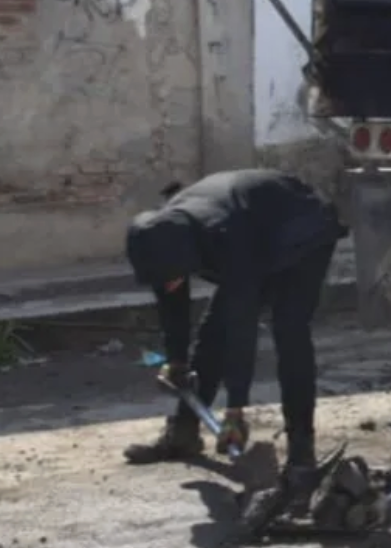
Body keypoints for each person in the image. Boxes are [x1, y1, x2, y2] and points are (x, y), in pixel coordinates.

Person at [122, 169, 348, 493]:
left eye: (172, 276)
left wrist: (235, 411)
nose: (169, 284)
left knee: (289, 331)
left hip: (302, 231)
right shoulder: (162, 239)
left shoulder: (225, 236)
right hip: (257, 228)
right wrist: (176, 361)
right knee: (212, 332)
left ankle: (302, 453)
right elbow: (172, 305)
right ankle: (184, 434)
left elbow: (241, 327)